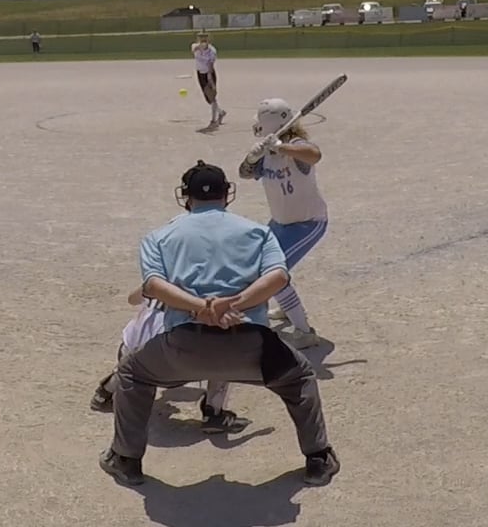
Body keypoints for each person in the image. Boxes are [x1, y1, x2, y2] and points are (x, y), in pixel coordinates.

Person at [99, 162, 338, 488]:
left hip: (182, 347)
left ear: (186, 197)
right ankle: (318, 459)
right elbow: (278, 277)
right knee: (300, 378)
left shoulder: (160, 236)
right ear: (228, 194)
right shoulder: (258, 232)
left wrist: (201, 307)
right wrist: (234, 304)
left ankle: (125, 460)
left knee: (131, 372)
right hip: (253, 348)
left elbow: (153, 286)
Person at [237, 98, 329, 349]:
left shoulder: (295, 146)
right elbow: (244, 174)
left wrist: (281, 147)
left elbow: (314, 154)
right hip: (280, 222)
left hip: (307, 222)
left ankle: (305, 332)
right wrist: (252, 158)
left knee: (272, 274)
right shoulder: (267, 150)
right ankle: (289, 309)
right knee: (261, 265)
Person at [88, 285, 243, 434]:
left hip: (131, 360)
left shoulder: (157, 283)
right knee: (224, 347)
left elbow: (132, 300)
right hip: (172, 369)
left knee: (136, 353)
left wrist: (149, 289)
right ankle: (213, 414)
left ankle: (105, 392)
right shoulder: (204, 291)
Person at [191, 31, 226, 129]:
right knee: (208, 99)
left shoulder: (212, 51)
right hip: (200, 74)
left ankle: (213, 120)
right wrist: (200, 47)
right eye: (201, 38)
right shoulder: (195, 46)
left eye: (205, 39)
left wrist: (210, 78)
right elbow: (193, 50)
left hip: (209, 74)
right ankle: (221, 112)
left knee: (211, 96)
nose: (203, 40)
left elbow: (211, 65)